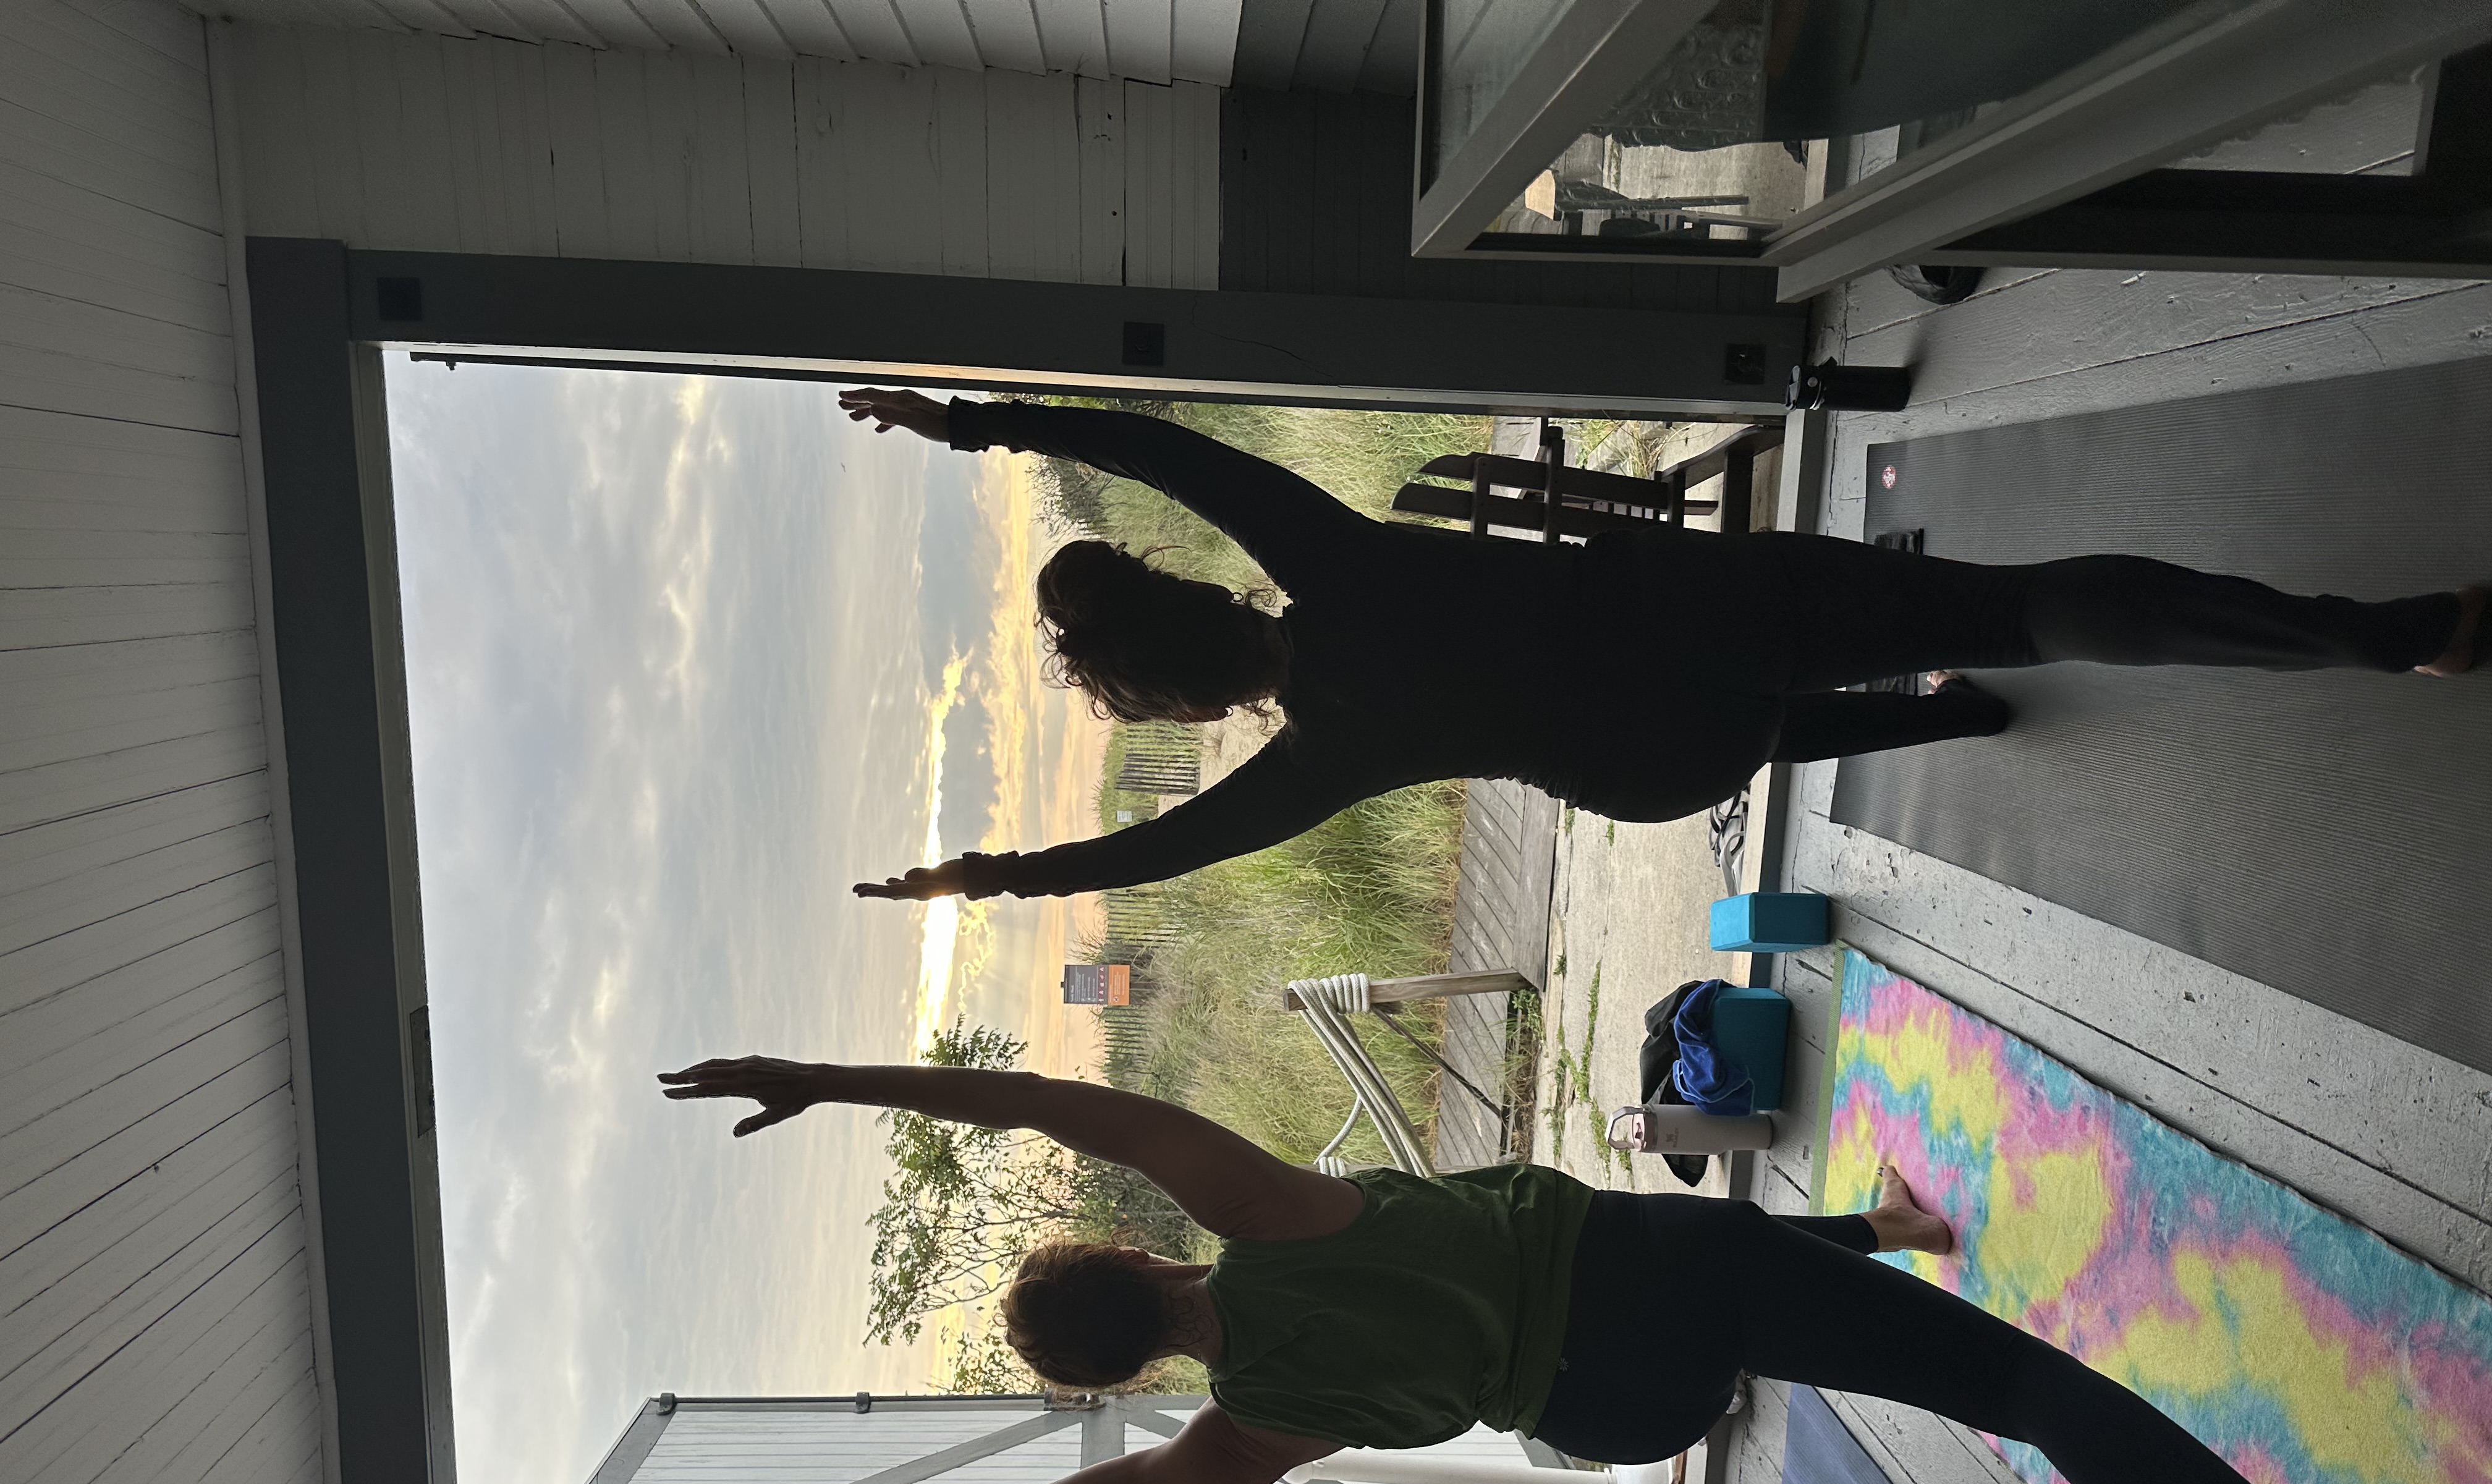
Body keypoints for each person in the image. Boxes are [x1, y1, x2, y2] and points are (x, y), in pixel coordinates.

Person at [657, 1054, 2492, 1484]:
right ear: (1138, 1265)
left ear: (1118, 1373)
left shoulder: (1234, 1441)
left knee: (1803, 1316)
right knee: (2017, 1387)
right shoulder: (1265, 1217)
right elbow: (1075, 1111)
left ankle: (1880, 1236)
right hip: (1643, 1269)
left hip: (1625, 1409)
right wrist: (824, 1080)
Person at [831, 388, 2485, 906]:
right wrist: (975, 423)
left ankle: (1930, 713)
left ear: (1190, 699)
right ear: (1198, 598)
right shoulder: (1319, 555)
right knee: (2002, 601)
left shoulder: (1314, 763)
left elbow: (1158, 849)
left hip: (1661, 755)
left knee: (1798, 696)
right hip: (1695, 608)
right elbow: (1168, 452)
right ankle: (2381, 641)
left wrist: (982, 881)